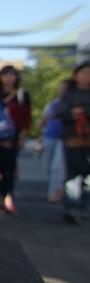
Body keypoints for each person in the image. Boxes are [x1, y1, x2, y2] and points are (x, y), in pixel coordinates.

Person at [0, 65, 31, 215]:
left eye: (12, 74)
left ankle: (7, 198)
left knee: (9, 167)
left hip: (12, 136)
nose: (9, 78)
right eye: (5, 74)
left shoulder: (22, 95)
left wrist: (23, 136)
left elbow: (26, 118)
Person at [55, 60, 90, 224]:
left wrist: (83, 111)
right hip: (72, 139)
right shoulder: (69, 94)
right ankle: (71, 208)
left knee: (88, 177)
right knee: (72, 176)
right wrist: (71, 113)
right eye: (84, 72)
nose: (86, 76)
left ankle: (84, 207)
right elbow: (59, 112)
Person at [35, 79, 70, 203]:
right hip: (49, 136)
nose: (62, 90)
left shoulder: (74, 103)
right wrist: (37, 133)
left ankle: (54, 191)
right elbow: (44, 119)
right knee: (48, 165)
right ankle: (59, 186)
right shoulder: (53, 103)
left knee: (58, 166)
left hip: (64, 137)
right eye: (61, 88)